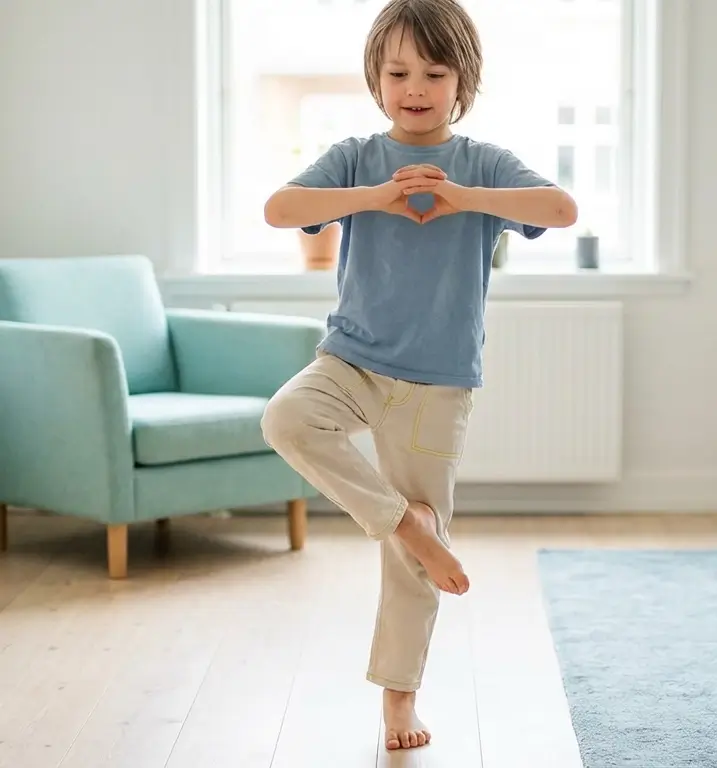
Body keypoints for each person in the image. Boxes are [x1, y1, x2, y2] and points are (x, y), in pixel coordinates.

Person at [261, 0, 577, 752]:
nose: (415, 85)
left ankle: (398, 704)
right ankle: (409, 522)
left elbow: (559, 208)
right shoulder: (354, 155)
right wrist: (376, 197)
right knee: (287, 419)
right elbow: (280, 209)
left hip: (438, 380)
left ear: (461, 81)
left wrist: (463, 199)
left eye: (434, 72)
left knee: (408, 572)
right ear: (375, 78)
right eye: (398, 70)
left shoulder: (484, 164)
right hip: (351, 359)